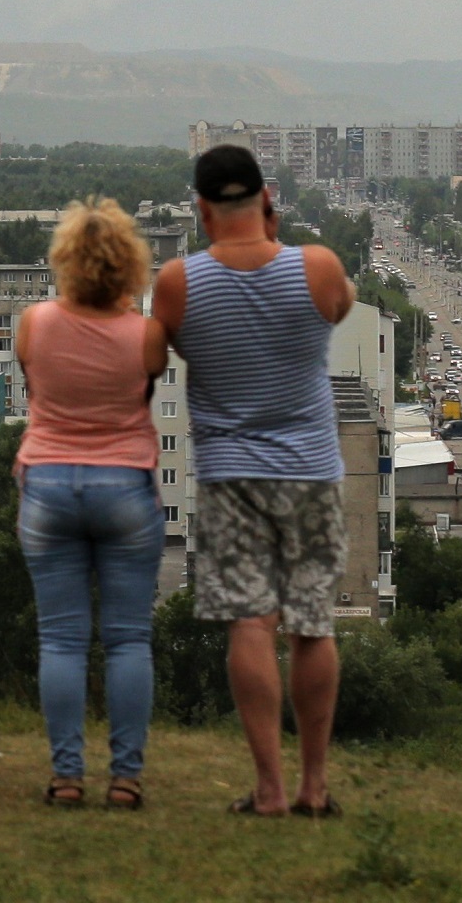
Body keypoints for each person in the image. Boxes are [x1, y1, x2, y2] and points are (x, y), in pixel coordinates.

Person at [150, 144, 354, 819]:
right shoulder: (316, 267)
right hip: (311, 471)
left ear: (202, 210)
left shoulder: (178, 282)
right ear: (267, 198)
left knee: (250, 622)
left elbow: (164, 348)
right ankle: (314, 787)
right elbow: (342, 306)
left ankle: (267, 788)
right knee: (312, 625)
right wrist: (274, 240)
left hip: (229, 473)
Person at [13, 197, 168, 809]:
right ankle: (125, 779)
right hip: (125, 487)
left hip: (49, 486)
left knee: (61, 641)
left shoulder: (35, 323)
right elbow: (142, 389)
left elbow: (36, 384)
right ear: (130, 265)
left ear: (65, 261)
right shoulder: (146, 334)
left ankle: (66, 776)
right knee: (129, 640)